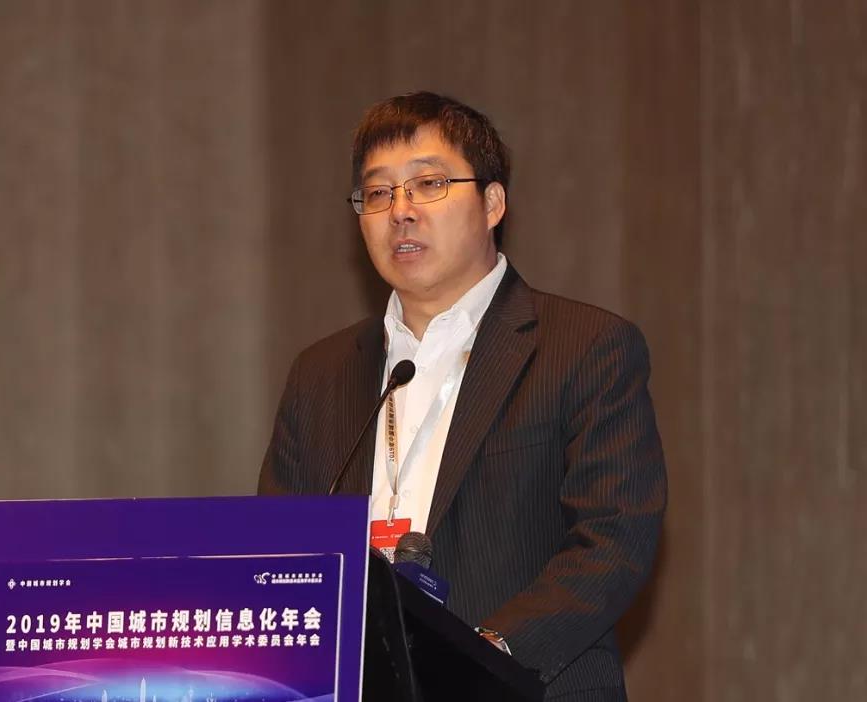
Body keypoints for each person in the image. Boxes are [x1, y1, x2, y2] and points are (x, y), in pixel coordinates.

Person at [259, 91, 666, 700]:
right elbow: (279, 552)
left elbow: (614, 539)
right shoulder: (320, 374)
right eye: (378, 192)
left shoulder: (584, 347)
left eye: (428, 184)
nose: (401, 211)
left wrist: (485, 657)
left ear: (493, 202)